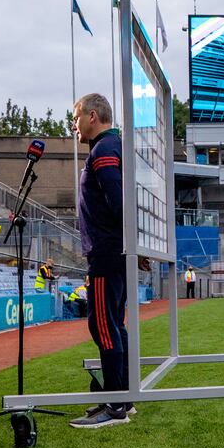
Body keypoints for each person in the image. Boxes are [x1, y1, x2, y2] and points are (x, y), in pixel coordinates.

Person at [68, 93, 145, 429]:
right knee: (114, 323)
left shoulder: (104, 150)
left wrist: (131, 243)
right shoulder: (113, 146)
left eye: (76, 117)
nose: (74, 125)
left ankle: (115, 405)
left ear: (93, 116)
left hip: (107, 251)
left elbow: (117, 200)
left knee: (102, 325)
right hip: (114, 249)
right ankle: (123, 399)